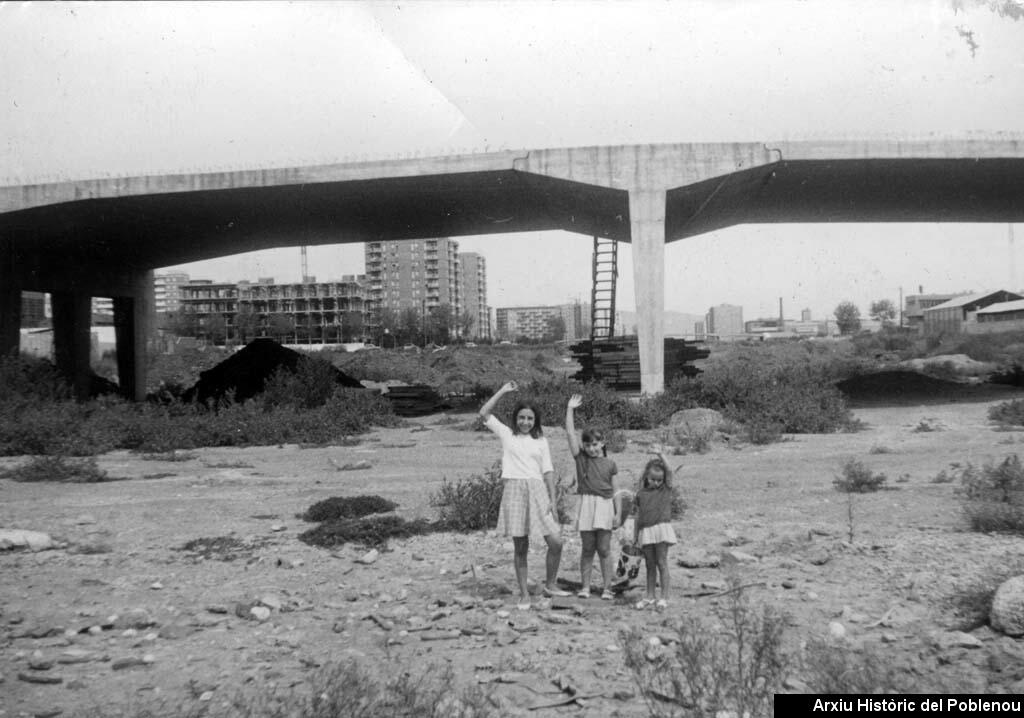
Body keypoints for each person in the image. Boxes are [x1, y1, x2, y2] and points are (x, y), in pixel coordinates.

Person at [479, 381, 568, 609]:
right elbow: (484, 412)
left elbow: (548, 472)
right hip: (515, 491)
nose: (525, 422)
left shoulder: (541, 441)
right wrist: (503, 391)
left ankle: (550, 583)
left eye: (530, 418)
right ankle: (524, 594)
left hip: (538, 492)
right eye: (521, 418)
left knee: (556, 541)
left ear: (535, 420)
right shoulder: (507, 434)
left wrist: (553, 501)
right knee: (521, 547)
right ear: (515, 418)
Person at [565, 394, 619, 600]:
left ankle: (607, 587)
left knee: (604, 549)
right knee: (587, 548)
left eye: (595, 444)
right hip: (586, 504)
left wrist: (618, 513)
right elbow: (570, 434)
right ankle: (585, 587)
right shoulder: (581, 459)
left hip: (605, 506)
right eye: (588, 445)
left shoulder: (610, 464)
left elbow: (616, 491)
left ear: (602, 443)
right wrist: (570, 409)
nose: (592, 448)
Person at [632, 446, 678, 609]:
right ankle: (650, 595)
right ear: (647, 477)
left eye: (659, 480)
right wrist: (635, 535)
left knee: (661, 562)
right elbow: (638, 516)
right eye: (653, 479)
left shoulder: (665, 490)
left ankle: (664, 596)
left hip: (661, 529)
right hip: (646, 531)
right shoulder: (641, 494)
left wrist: (660, 454)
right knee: (649, 564)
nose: (656, 482)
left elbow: (670, 471)